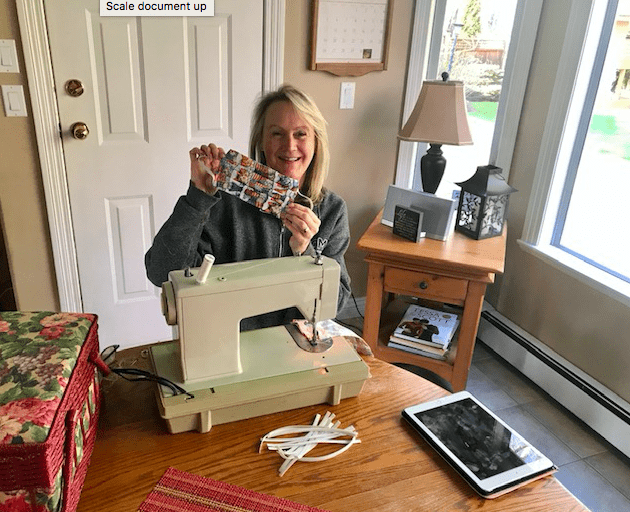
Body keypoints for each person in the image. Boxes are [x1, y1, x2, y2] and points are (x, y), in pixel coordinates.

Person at [145, 85, 351, 330]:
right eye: (277, 133)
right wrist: (198, 196)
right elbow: (161, 272)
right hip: (229, 337)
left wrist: (305, 255)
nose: (289, 145)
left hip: (295, 344)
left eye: (301, 134)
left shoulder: (332, 210)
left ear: (316, 141)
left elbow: (334, 304)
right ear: (261, 141)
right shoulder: (222, 202)